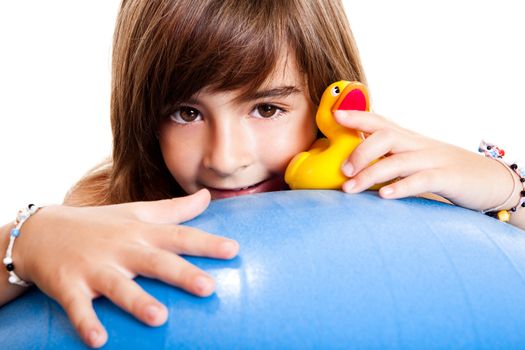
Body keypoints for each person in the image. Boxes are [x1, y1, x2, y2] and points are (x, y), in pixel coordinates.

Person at [1, 0, 524, 348]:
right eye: (186, 113)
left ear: (329, 100)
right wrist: (26, 239)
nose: (226, 159)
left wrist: (506, 187)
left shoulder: (397, 189)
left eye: (267, 109)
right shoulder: (112, 214)